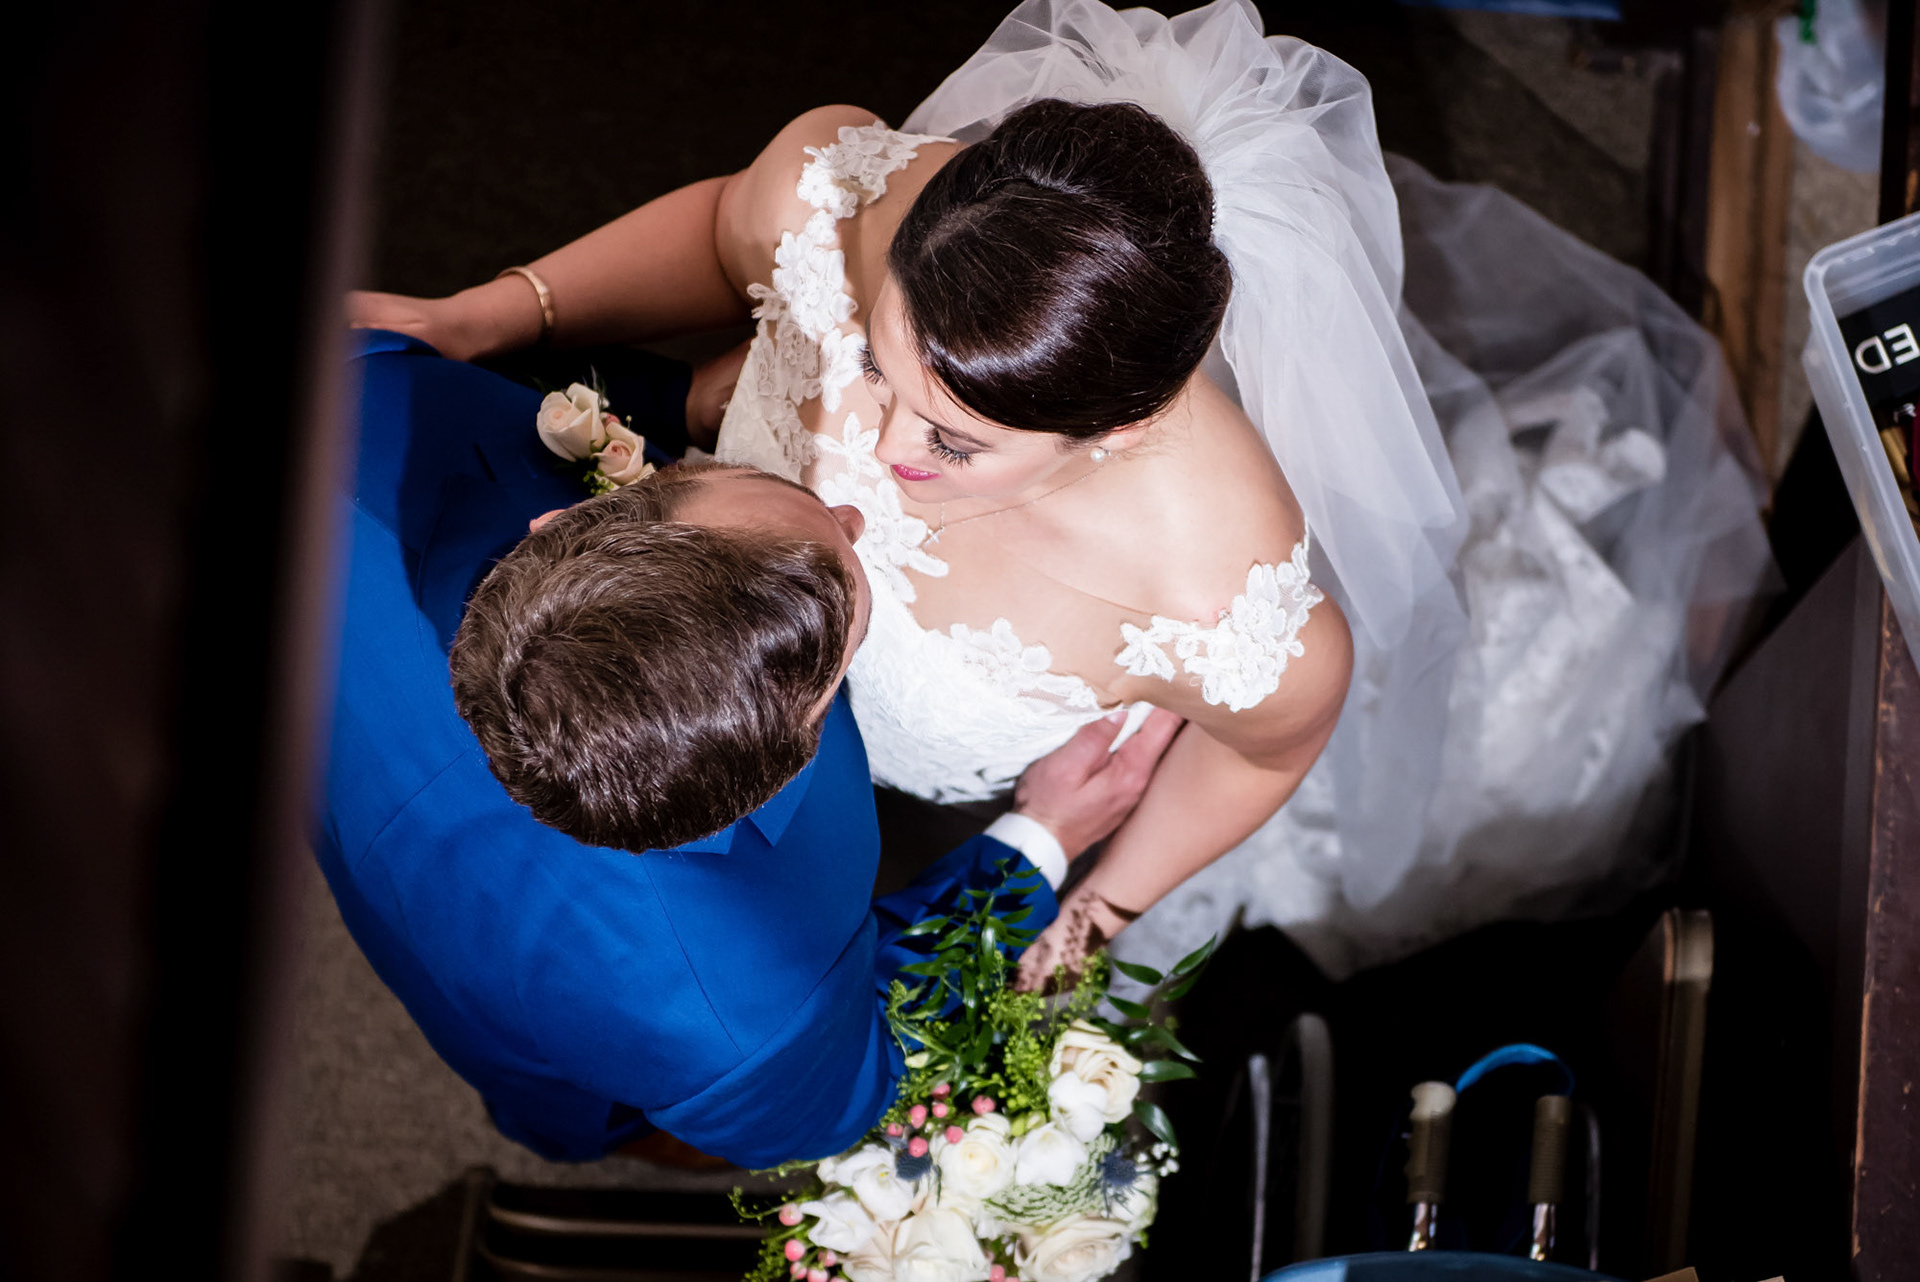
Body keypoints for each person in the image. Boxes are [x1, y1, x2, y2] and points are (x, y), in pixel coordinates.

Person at [352, 0, 1772, 980]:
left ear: (1116, 430)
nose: (857, 447)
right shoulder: (839, 191)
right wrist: (495, 312)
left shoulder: (1229, 598)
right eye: (878, 358)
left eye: (951, 442)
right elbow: (730, 226)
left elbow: (1263, 752)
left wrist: (1088, 915)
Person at [318, 327, 1180, 1165]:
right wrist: (1041, 840)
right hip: (582, 1027)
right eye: (846, 647)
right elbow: (866, 1061)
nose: (852, 513)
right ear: (795, 745)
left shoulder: (355, 409)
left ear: (560, 522)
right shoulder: (738, 1026)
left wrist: (678, 400)